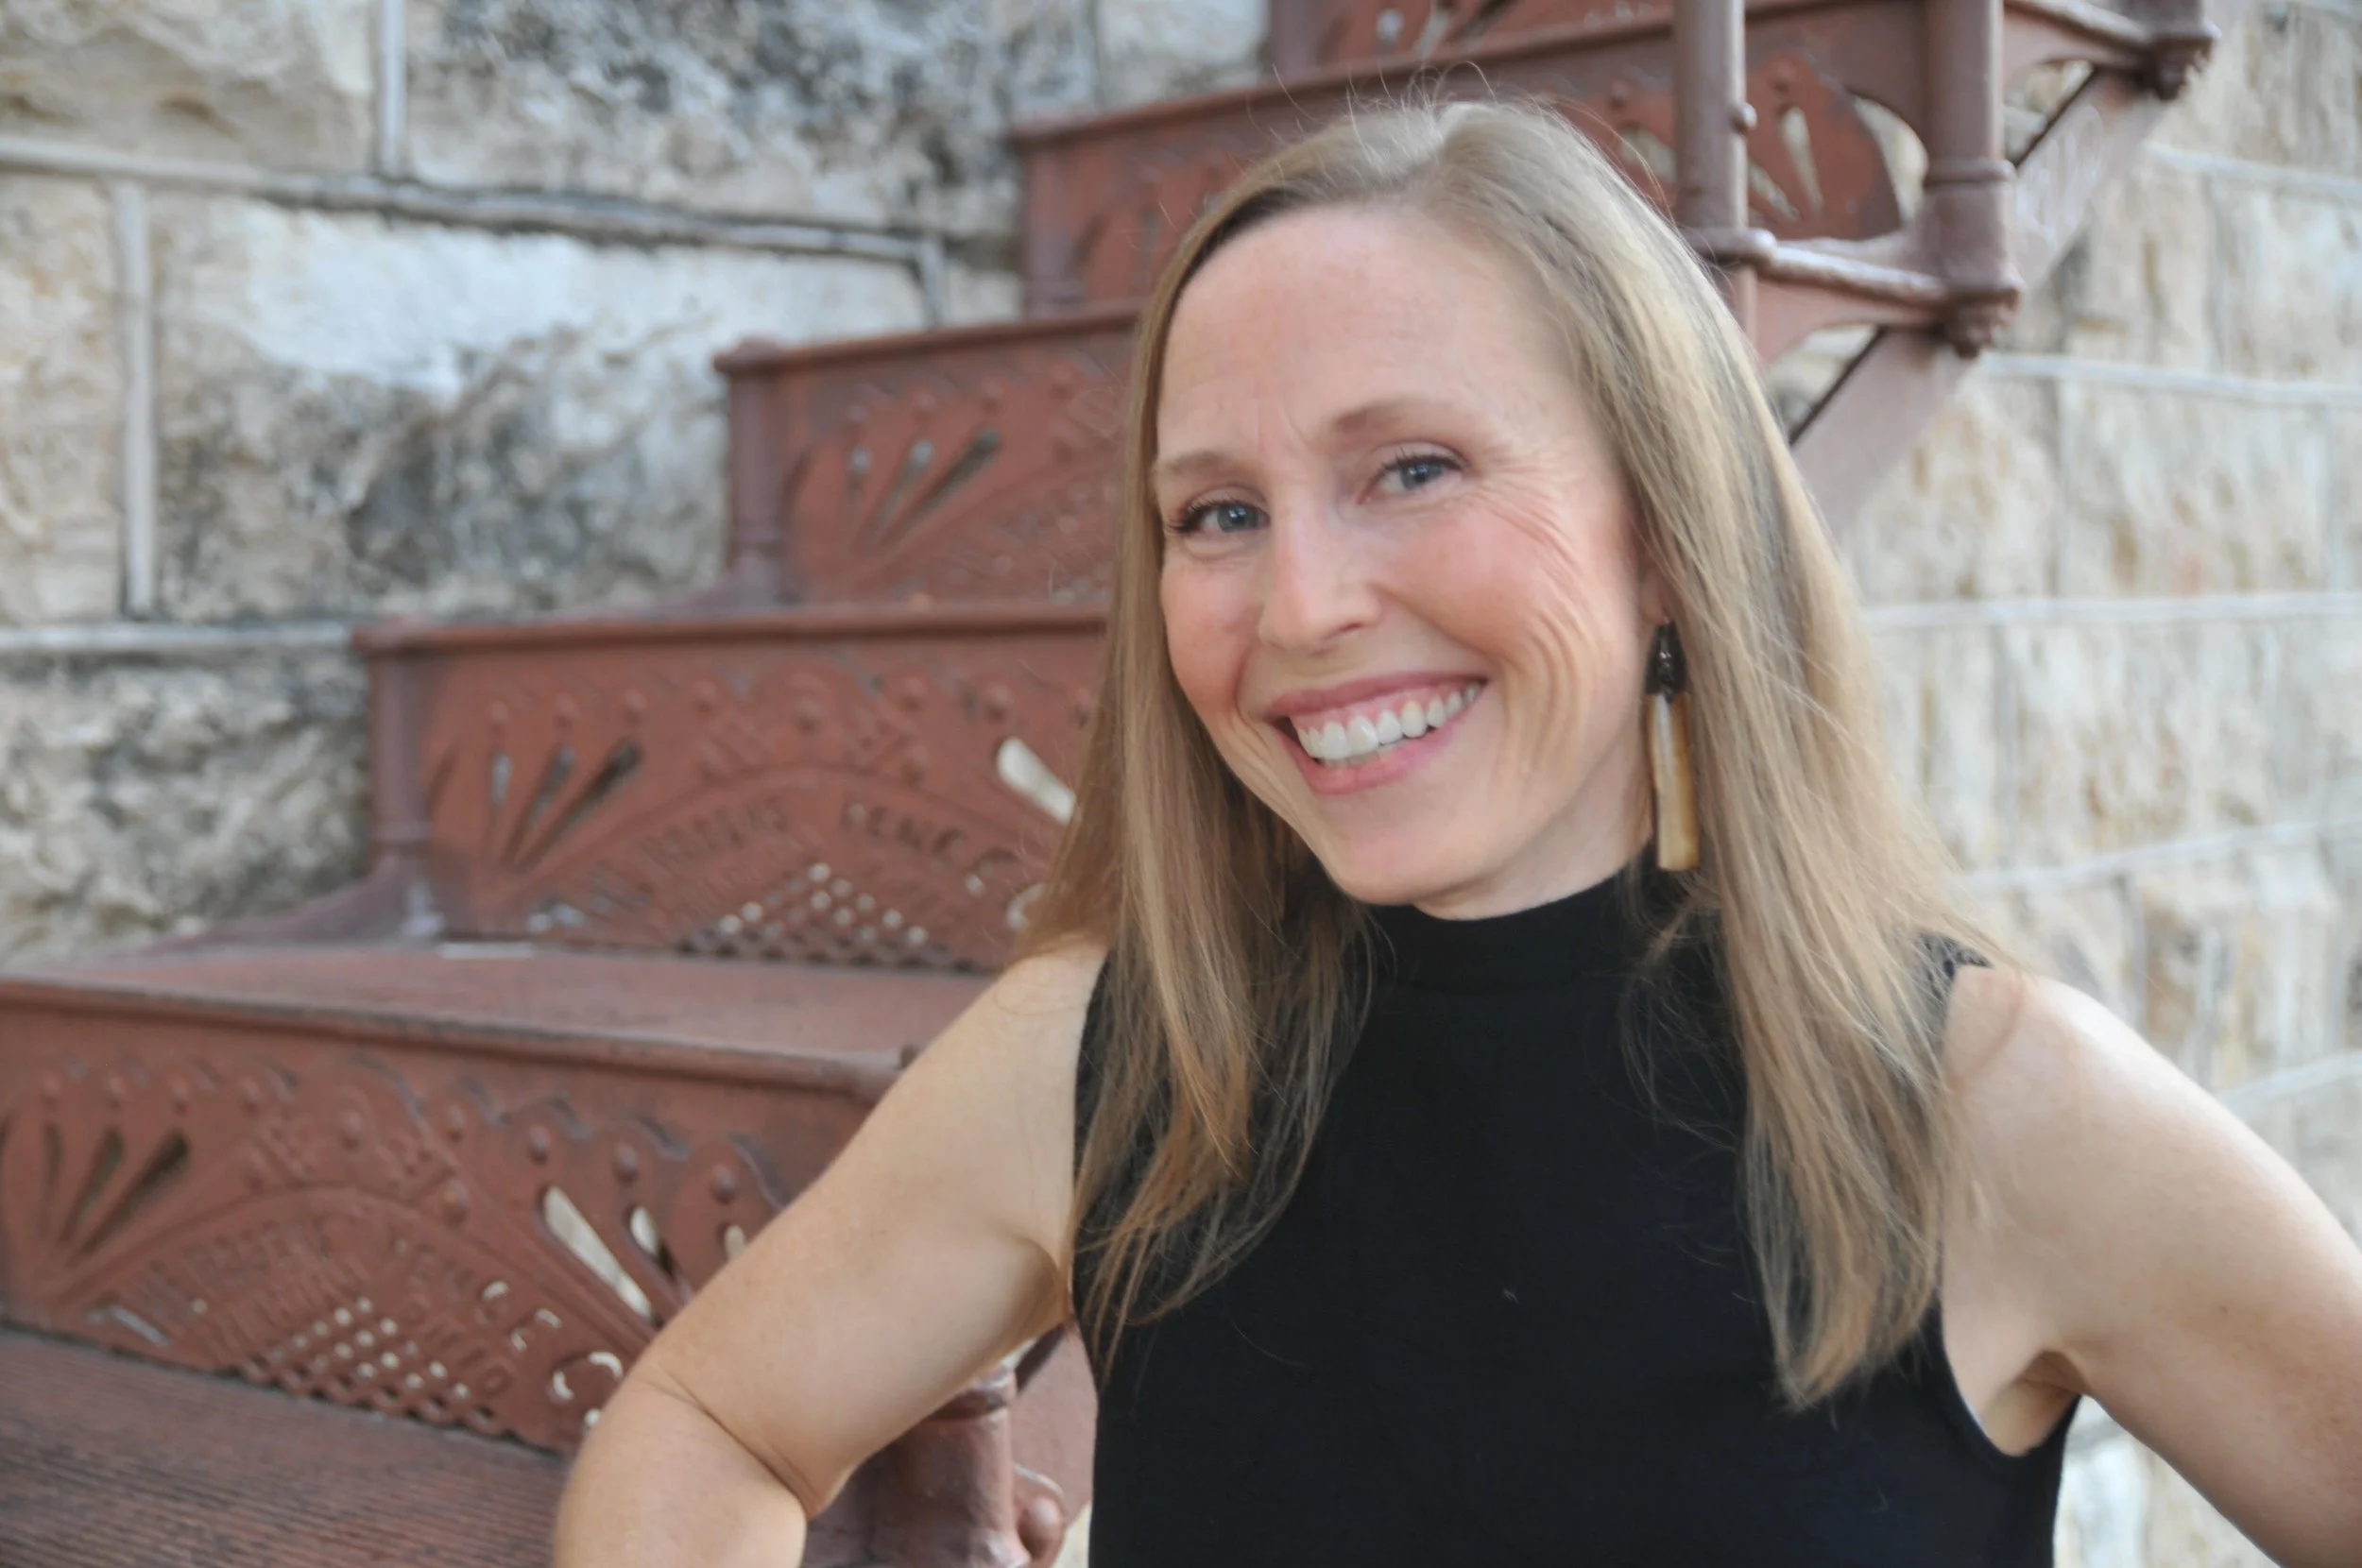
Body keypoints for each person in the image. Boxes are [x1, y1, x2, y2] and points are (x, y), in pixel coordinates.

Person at [553, 99, 2362, 1566]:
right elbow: (709, 1425)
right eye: (1218, 513)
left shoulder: (1992, 1109)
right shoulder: (1105, 1058)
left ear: (1666, 532)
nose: (1303, 605)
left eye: (1411, 469)